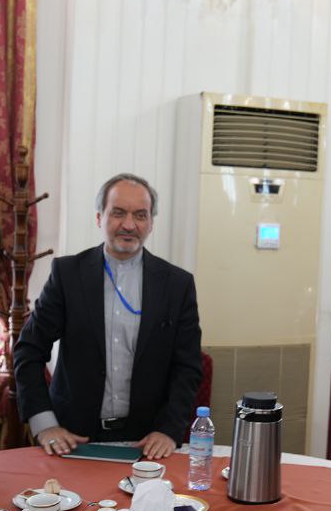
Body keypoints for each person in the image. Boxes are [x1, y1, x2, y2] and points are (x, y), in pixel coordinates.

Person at [14, 173, 202, 460]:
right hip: (73, 438)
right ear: (99, 218)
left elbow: (187, 367)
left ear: (151, 223)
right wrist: (45, 424)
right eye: (118, 213)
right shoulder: (67, 275)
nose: (129, 224)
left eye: (140, 215)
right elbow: (29, 350)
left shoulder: (177, 285)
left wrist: (169, 430)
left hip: (147, 442)